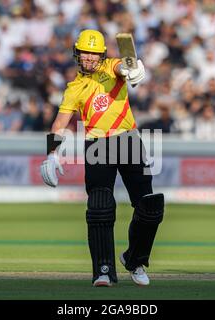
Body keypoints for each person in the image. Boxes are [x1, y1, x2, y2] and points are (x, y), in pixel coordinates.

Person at [40, 29, 164, 287]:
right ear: (77, 53)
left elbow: (124, 68)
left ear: (102, 56)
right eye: (85, 52)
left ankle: (134, 260)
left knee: (149, 206)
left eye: (94, 54)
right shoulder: (74, 88)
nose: (89, 58)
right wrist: (52, 154)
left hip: (128, 140)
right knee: (100, 207)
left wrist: (135, 69)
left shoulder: (111, 67)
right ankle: (103, 270)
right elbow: (60, 122)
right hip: (97, 145)